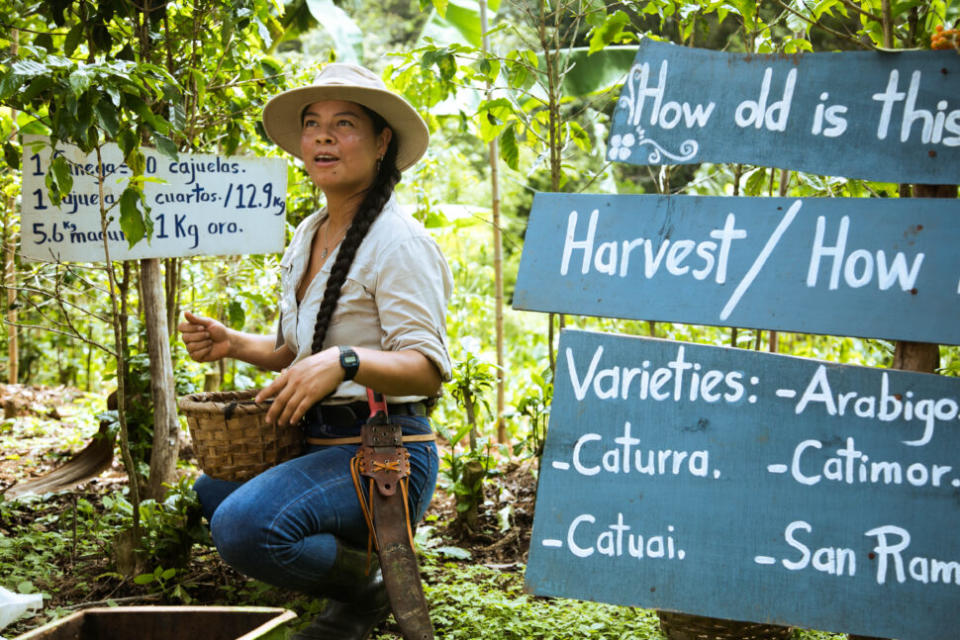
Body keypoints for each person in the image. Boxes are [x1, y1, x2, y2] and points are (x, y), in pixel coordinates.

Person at [178, 62, 452, 640]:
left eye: (344, 124)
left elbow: (426, 371)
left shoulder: (399, 242)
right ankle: (353, 572)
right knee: (213, 489)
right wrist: (233, 343)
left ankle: (367, 589)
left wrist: (347, 361)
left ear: (382, 143)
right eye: (313, 124)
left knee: (244, 526)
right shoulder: (309, 232)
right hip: (316, 442)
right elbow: (292, 354)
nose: (323, 137)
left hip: (385, 454)